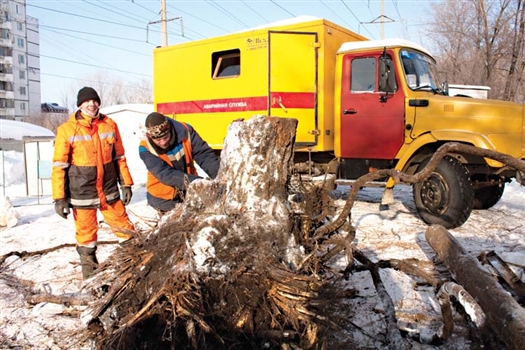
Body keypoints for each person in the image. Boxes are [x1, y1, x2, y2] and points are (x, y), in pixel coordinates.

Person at [51, 87, 135, 279]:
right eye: (87, 101)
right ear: (79, 105)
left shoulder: (110, 124)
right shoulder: (66, 130)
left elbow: (119, 157)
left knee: (126, 230)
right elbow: (59, 167)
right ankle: (91, 277)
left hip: (108, 190)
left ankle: (134, 268)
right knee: (86, 238)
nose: (91, 104)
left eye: (94, 101)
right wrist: (59, 198)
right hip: (82, 193)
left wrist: (126, 184)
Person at [139, 112, 220, 213]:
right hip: (163, 197)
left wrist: (220, 177)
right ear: (150, 137)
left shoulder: (186, 131)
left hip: (188, 190)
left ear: (170, 130)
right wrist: (199, 184)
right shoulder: (145, 148)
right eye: (158, 140)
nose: (163, 142)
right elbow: (166, 174)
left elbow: (204, 155)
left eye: (165, 137)